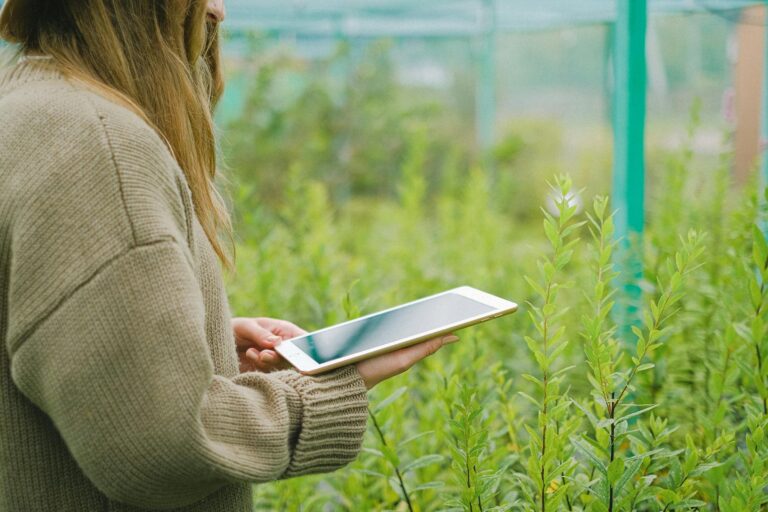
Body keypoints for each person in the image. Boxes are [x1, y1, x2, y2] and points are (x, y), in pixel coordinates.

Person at [0, 1, 458, 510]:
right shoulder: (99, 146)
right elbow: (161, 445)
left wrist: (189, 346)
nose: (219, 10)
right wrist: (330, 388)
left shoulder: (23, 113)